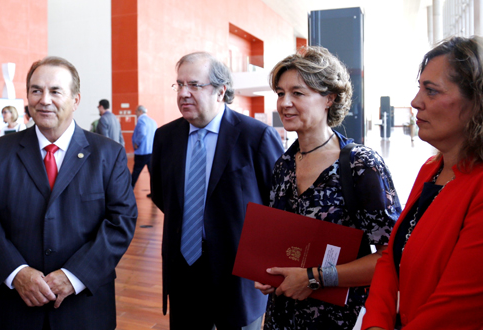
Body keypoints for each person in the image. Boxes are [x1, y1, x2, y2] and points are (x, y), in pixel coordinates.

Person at [254, 46, 401, 330]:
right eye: (280, 93)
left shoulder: (360, 164)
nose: (285, 103)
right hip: (282, 316)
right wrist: (269, 272)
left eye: (297, 93)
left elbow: (391, 256)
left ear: (329, 99)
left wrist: (313, 278)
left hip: (338, 319)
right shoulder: (283, 165)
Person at [0, 56, 137, 330]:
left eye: (55, 91)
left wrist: (74, 275)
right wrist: (16, 272)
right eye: (36, 90)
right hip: (17, 307)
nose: (44, 99)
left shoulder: (109, 154)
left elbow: (121, 222)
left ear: (76, 100)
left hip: (84, 308)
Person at [151, 52, 283, 330]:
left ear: (221, 91)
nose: (184, 93)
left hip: (238, 275)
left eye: (194, 85)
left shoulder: (256, 136)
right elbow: (163, 197)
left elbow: (279, 204)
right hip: (183, 269)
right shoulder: (165, 137)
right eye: (179, 85)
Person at [362, 36, 483, 330]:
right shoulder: (431, 169)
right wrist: (376, 323)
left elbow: (456, 307)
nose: (416, 102)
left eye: (431, 91)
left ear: (476, 103)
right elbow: (391, 257)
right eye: (420, 89)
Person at [131, 105, 157, 189]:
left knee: (136, 171)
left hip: (142, 151)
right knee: (152, 172)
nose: (135, 113)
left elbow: (142, 133)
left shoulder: (141, 120)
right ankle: (154, 191)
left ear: (140, 111)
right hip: (151, 151)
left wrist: (136, 143)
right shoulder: (152, 121)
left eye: (136, 111)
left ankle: (129, 189)